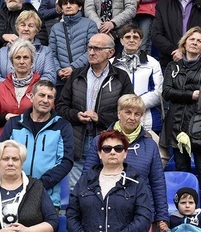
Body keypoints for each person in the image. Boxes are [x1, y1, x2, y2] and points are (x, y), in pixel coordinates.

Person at [56, 33, 134, 188]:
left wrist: (100, 118)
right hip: (78, 139)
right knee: (76, 189)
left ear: (110, 52)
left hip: (108, 141)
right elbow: (61, 107)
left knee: (107, 187)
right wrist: (76, 115)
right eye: (90, 48)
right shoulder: (76, 75)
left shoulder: (121, 77)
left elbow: (127, 112)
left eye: (97, 48)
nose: (91, 52)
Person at [82, 94, 168, 231]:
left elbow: (158, 184)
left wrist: (162, 217)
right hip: (105, 213)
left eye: (137, 114)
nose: (132, 118)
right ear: (118, 113)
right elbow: (87, 178)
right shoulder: (100, 141)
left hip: (141, 213)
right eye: (128, 112)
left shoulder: (150, 145)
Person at [0, 80, 74, 209]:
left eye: (50, 97)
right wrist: (19, 184)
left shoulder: (63, 126)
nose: (45, 100)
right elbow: (1, 156)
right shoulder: (13, 123)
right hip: (13, 195)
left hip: (47, 197)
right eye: (41, 95)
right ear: (31, 96)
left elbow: (66, 162)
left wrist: (38, 185)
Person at [161, 26, 201, 196]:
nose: (195, 43)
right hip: (177, 121)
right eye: (192, 39)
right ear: (184, 43)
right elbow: (167, 92)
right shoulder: (172, 66)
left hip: (200, 123)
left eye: (199, 41)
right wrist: (192, 94)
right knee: (181, 165)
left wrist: (182, 92)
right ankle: (183, 202)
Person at [66, 130, 153, 231]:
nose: (112, 152)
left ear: (125, 153)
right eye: (107, 149)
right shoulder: (85, 181)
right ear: (99, 153)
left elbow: (143, 218)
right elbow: (72, 215)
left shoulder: (137, 182)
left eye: (118, 148)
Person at [0, 140, 59, 232]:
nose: (10, 163)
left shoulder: (36, 187)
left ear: (21, 163)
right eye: (5, 159)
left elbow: (53, 221)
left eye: (15, 159)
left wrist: (28, 231)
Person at [0, 39, 41, 164]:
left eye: (26, 57)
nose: (21, 61)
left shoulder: (40, 86)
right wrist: (6, 117)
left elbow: (49, 117)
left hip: (32, 144)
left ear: (32, 61)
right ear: (12, 61)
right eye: (17, 58)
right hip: (4, 144)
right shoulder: (0, 87)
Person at [111, 25, 164, 133]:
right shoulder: (111, 64)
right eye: (127, 37)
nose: (131, 40)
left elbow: (159, 92)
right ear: (121, 41)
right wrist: (124, 108)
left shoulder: (152, 63)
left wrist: (134, 105)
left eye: (135, 37)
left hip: (148, 122)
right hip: (118, 121)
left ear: (140, 41)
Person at [0, 11, 55, 88]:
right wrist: (11, 88)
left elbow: (50, 77)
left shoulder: (46, 51)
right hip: (7, 95)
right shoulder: (4, 51)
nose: (26, 29)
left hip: (33, 96)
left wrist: (28, 89)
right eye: (22, 25)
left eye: (30, 26)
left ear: (37, 30)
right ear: (17, 29)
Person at [49, 0, 98, 92]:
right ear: (61, 7)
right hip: (61, 80)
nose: (68, 6)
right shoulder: (55, 28)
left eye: (72, 3)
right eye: (65, 3)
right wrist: (59, 71)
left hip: (83, 77)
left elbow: (92, 50)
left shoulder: (90, 24)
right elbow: (52, 53)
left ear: (80, 7)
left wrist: (73, 68)